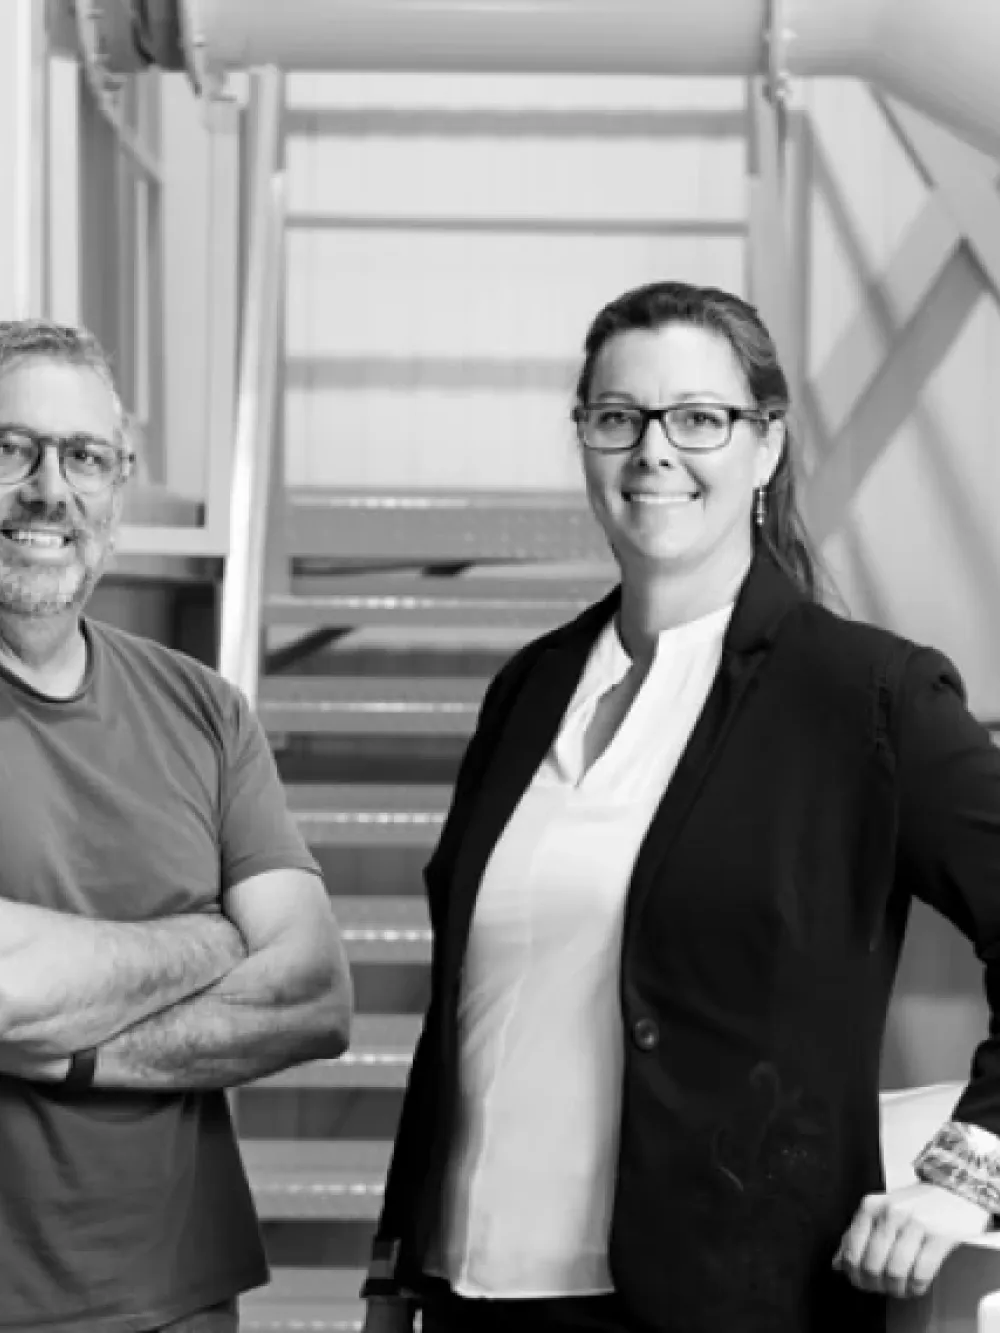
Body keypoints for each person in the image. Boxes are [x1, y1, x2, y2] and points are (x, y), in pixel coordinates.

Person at [360, 279, 1000, 1333]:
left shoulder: (866, 699)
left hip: (727, 1300)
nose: (653, 450)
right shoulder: (528, 689)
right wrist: (395, 1273)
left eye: (698, 418)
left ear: (765, 446)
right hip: (472, 1297)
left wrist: (968, 1169)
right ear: (585, 442)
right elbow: (461, 1016)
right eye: (617, 418)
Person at [0, 320, 353, 1332]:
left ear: (119, 483)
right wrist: (208, 939)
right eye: (11, 447)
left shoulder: (203, 709)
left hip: (183, 1299)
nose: (48, 490)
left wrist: (72, 1046)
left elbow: (314, 994)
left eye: (84, 457)